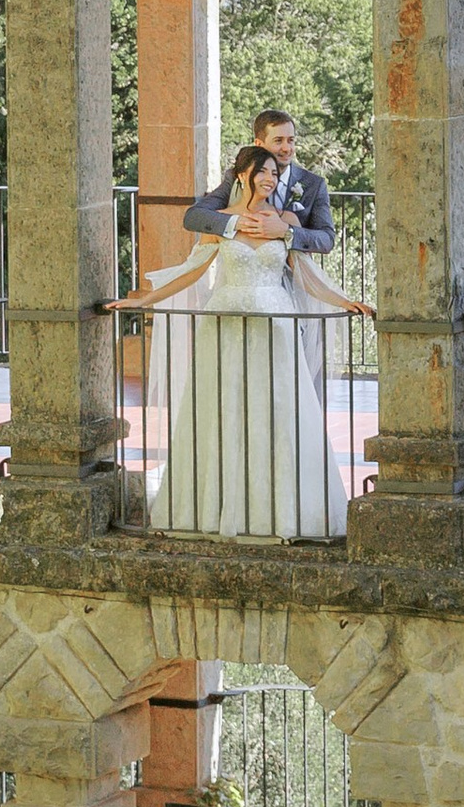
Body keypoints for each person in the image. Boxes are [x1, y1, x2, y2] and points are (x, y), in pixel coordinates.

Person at [124, 143, 369, 539]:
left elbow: (307, 276)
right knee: (222, 413)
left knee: (277, 414)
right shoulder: (218, 221)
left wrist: (345, 301)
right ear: (243, 176)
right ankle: (213, 510)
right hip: (223, 327)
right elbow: (191, 271)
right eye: (263, 172)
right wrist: (143, 300)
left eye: (274, 172)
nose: (271, 178)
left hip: (275, 327)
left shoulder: (284, 219)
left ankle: (281, 515)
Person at [182, 109, 334, 259]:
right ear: (259, 144)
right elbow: (194, 217)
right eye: (278, 141)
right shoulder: (239, 177)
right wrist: (239, 222)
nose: (287, 148)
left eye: (291, 140)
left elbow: (327, 240)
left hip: (296, 279)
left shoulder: (314, 184)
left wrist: (286, 231)